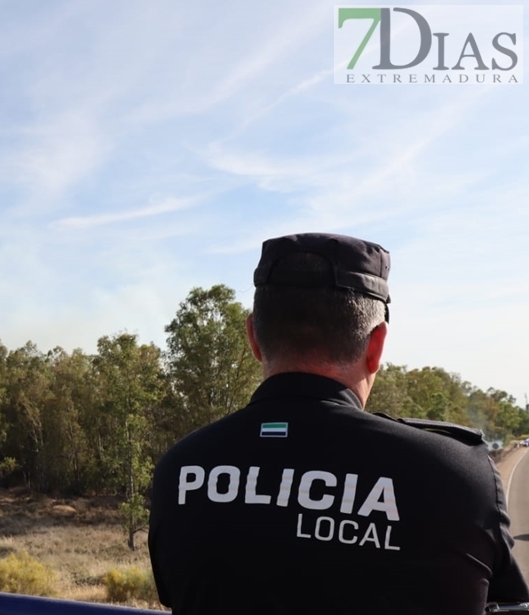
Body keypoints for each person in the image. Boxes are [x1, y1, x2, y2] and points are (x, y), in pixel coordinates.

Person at [148, 232, 528, 615]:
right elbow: (506, 600)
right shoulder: (456, 475)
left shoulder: (179, 470)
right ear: (376, 345)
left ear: (254, 337)